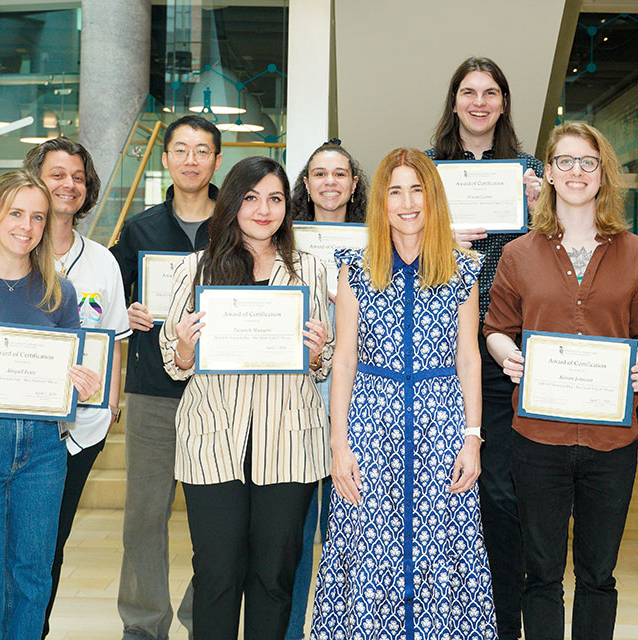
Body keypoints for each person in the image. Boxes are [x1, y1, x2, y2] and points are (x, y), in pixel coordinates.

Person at [0, 137, 132, 640]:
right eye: (56, 174)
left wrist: (100, 400)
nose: (27, 225)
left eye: (78, 176)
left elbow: (105, 348)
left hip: (57, 439)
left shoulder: (77, 279)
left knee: (35, 570)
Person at [483, 122, 638, 640]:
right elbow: (496, 327)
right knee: (539, 573)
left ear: (603, 172)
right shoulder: (520, 253)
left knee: (598, 575)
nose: (577, 172)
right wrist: (509, 356)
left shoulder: (637, 253)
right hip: (537, 438)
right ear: (549, 174)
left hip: (612, 441)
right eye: (565, 161)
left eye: (588, 161)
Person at [311, 148, 497, 639]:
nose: (407, 202)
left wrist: (473, 438)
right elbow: (345, 358)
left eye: (417, 190)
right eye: (395, 191)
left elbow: (468, 357)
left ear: (433, 199)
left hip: (443, 428)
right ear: (381, 202)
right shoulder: (356, 267)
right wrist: (339, 444)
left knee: (444, 547)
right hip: (372, 430)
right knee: (369, 548)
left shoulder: (462, 269)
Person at [158, 155, 332, 639]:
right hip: (214, 442)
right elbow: (172, 360)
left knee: (275, 577)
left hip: (290, 445)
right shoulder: (197, 268)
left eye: (275, 199)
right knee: (216, 576)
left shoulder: (311, 272)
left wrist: (318, 353)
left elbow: (328, 358)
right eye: (252, 197)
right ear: (233, 202)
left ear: (287, 208)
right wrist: (187, 346)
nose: (263, 209)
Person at [424, 56, 545, 639]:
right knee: (437, 493)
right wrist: (435, 235)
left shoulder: (532, 171)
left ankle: (502, 624)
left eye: (490, 92)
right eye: (468, 92)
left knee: (500, 493)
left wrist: (542, 207)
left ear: (503, 102)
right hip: (434, 352)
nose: (479, 102)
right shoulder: (425, 173)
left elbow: (558, 246)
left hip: (507, 352)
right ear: (454, 101)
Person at [110, 114, 223, 639]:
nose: (191, 160)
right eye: (181, 150)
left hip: (223, 393)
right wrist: (128, 311)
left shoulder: (240, 223)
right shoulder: (139, 229)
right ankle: (144, 624)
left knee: (216, 519)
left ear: (217, 160)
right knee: (145, 517)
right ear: (165, 158)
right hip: (153, 389)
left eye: (202, 151)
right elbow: (108, 304)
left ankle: (205, 618)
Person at [285, 138, 368, 640]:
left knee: (346, 541)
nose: (330, 182)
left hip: (354, 407)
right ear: (307, 183)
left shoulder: (376, 242)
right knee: (293, 542)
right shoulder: (284, 239)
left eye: (340, 174)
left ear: (355, 184)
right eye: (320, 173)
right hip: (293, 407)